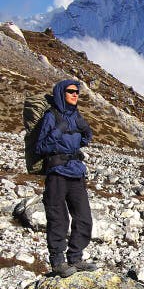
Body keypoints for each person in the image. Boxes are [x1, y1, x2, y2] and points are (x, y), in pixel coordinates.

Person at [35, 79, 97, 277]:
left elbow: (83, 138)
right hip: (57, 172)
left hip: (76, 171)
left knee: (84, 217)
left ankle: (76, 258)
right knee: (58, 218)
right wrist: (58, 130)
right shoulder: (51, 116)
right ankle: (58, 261)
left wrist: (86, 134)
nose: (75, 94)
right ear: (61, 94)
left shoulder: (76, 115)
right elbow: (40, 147)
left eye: (77, 92)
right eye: (71, 91)